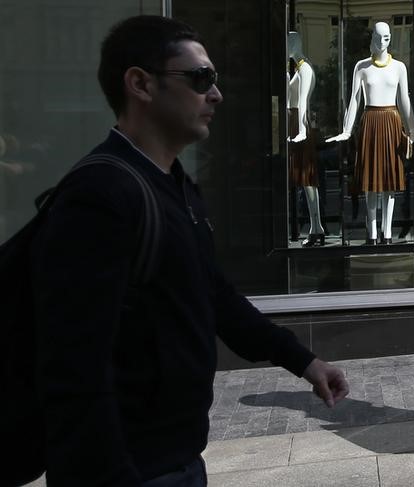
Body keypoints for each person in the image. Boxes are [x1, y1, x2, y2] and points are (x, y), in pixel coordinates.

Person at [30, 15, 349, 486]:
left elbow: (214, 296)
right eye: (200, 79)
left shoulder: (175, 187)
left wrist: (302, 361)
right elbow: (72, 365)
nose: (215, 94)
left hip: (178, 459)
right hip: (130, 470)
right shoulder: (100, 195)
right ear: (140, 84)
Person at [326, 21, 414, 245]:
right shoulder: (362, 66)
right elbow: (354, 100)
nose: (382, 42)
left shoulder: (399, 67)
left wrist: (412, 131)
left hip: (392, 123)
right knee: (371, 181)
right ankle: (372, 230)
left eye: (386, 37)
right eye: (378, 37)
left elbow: (404, 99)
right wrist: (347, 130)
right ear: (372, 37)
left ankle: (387, 231)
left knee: (389, 182)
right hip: (370, 123)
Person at [287, 31, 325, 247]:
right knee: (304, 179)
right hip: (295, 124)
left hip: (299, 125)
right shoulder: (298, 68)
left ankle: (316, 227)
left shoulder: (305, 68)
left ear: (295, 44)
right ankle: (316, 227)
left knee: (307, 178)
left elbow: (302, 102)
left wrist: (300, 130)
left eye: (288, 42)